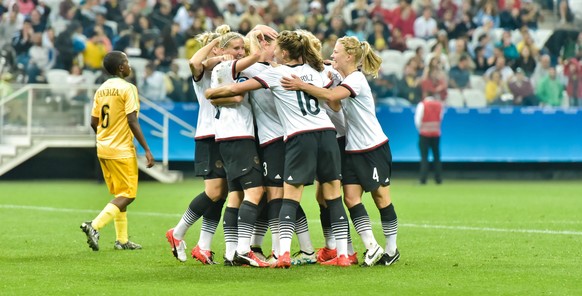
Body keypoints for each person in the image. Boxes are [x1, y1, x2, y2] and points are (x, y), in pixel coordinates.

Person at [206, 30, 351, 268]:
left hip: (298, 136)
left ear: (284, 52)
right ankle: (343, 255)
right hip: (327, 134)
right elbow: (332, 99)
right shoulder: (316, 72)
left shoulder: (276, 74)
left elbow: (235, 90)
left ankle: (282, 254)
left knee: (288, 198)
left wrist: (211, 92)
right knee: (334, 197)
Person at [280, 36, 401, 266]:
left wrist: (302, 85)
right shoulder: (341, 76)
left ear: (349, 56)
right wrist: (322, 69)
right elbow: (334, 104)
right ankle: (372, 247)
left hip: (373, 147)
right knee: (350, 198)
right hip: (352, 148)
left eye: (336, 52)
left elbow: (333, 97)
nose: (332, 55)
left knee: (381, 198)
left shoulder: (356, 79)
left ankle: (392, 249)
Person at [80, 50, 155, 251]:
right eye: (127, 62)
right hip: (122, 150)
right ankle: (94, 226)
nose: (130, 66)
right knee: (128, 194)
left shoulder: (101, 89)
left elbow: (93, 122)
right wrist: (147, 149)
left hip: (103, 148)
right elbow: (132, 120)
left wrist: (106, 136)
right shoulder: (128, 88)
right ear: (121, 67)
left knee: (120, 195)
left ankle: (121, 240)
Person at [415, 96, 444, 185]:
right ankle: (438, 179)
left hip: (424, 134)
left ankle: (423, 179)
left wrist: (420, 129)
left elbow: (417, 119)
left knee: (424, 157)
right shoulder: (439, 105)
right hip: (436, 133)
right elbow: (440, 118)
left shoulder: (422, 104)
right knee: (437, 157)